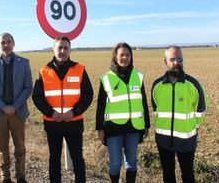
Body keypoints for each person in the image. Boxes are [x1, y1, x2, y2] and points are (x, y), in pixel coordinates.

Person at [32, 35, 93, 183]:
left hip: (74, 122)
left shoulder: (79, 69)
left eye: (66, 48)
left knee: (78, 157)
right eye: (60, 47)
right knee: (54, 158)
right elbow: (37, 97)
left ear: (70, 50)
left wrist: (74, 112)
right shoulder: (44, 71)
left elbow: (88, 94)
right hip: (53, 123)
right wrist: (51, 113)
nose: (63, 51)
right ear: (53, 49)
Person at [151, 45, 207, 183]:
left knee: (188, 175)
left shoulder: (193, 84)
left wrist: (193, 127)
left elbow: (201, 109)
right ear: (165, 61)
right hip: (163, 139)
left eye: (180, 59)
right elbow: (156, 107)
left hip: (186, 140)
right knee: (168, 174)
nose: (177, 62)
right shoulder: (157, 85)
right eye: (173, 59)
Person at [96, 42, 150, 183]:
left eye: (127, 54)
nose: (124, 57)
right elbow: (100, 105)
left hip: (134, 127)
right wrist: (100, 128)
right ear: (115, 56)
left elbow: (143, 102)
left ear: (131, 57)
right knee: (115, 164)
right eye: (121, 55)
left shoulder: (138, 76)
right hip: (113, 128)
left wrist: (147, 124)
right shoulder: (106, 78)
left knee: (132, 162)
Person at [0, 33, 33, 183]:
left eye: (8, 42)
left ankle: (20, 176)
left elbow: (28, 87)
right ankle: (5, 176)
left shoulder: (24, 63)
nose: (6, 45)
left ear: (14, 43)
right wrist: (3, 106)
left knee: (20, 146)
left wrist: (14, 106)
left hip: (17, 112)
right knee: (2, 146)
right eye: (3, 42)